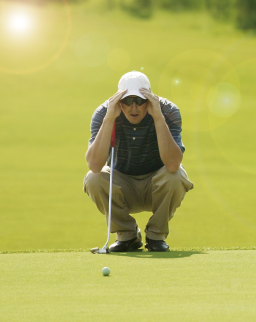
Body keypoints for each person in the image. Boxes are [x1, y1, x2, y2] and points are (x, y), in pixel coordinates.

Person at [83, 70, 194, 252]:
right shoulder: (104, 113)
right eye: (127, 101)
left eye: (140, 101)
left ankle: (156, 236)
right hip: (121, 186)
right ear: (120, 101)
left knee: (176, 175)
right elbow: (94, 165)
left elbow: (173, 164)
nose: (134, 107)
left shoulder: (168, 111)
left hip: (157, 186)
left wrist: (158, 117)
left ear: (148, 100)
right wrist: (110, 118)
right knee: (93, 178)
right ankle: (127, 236)